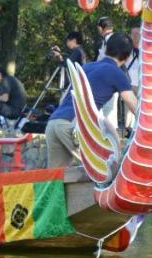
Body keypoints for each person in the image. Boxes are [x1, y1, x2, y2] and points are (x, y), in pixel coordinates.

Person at [45, 33, 138, 169]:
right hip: (73, 126)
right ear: (128, 56)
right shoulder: (117, 73)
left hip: (54, 122)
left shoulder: (86, 67)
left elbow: (64, 98)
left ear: (106, 48)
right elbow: (136, 108)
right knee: (107, 168)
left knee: (54, 179)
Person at [123, 26, 143, 131]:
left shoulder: (145, 49)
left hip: (141, 82)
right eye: (133, 34)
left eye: (137, 34)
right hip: (129, 81)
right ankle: (129, 128)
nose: (135, 36)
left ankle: (138, 127)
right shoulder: (127, 49)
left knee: (140, 106)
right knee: (129, 106)